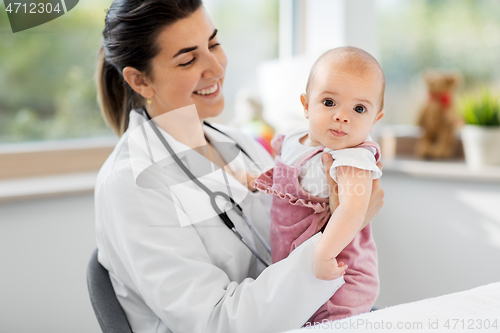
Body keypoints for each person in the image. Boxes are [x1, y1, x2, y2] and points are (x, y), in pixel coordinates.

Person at [94, 0, 385, 332]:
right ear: (141, 81)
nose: (216, 68)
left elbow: (290, 224)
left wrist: (342, 214)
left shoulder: (239, 144)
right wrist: (338, 233)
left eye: (214, 43)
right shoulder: (131, 184)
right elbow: (217, 322)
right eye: (188, 59)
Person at [254, 47, 385, 324]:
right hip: (299, 266)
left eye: (359, 108)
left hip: (339, 280)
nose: (342, 116)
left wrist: (325, 254)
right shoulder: (294, 139)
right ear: (305, 104)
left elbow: (352, 209)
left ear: (375, 119)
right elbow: (280, 176)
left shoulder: (352, 156)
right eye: (329, 102)